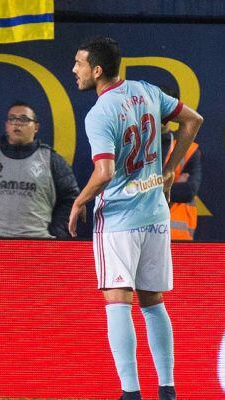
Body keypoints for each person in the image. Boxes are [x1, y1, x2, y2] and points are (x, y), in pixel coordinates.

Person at [69, 37, 203, 400]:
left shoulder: (99, 113)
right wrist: (169, 173)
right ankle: (167, 389)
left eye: (79, 63)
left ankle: (130, 392)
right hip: (155, 214)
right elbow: (193, 120)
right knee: (153, 301)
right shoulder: (147, 91)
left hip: (119, 218)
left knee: (117, 300)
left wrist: (79, 201)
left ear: (97, 70)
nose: (74, 70)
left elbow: (105, 171)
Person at [0, 101, 81, 239]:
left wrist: (58, 232)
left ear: (36, 127)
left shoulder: (52, 160)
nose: (17, 123)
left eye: (24, 119)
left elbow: (70, 198)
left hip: (36, 240)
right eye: (12, 119)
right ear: (6, 126)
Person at [159, 87, 202, 241]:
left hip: (177, 236)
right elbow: (130, 189)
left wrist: (147, 188)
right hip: (141, 232)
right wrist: (167, 184)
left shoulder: (189, 150)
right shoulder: (136, 147)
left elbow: (188, 191)